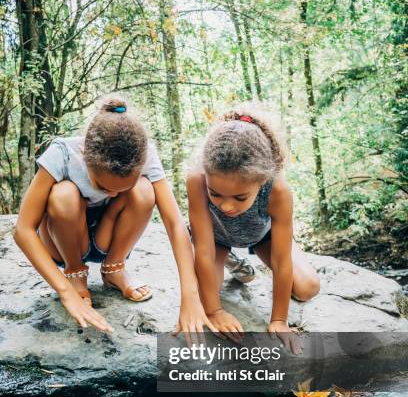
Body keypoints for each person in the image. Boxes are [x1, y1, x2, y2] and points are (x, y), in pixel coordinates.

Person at [14, 95, 215, 337]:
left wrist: (190, 297)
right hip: (61, 240)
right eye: (102, 185)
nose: (111, 194)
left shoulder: (145, 153)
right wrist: (65, 291)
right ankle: (75, 273)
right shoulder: (62, 153)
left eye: (120, 189)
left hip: (105, 239)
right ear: (84, 153)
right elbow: (23, 229)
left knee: (142, 190)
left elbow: (175, 225)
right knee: (63, 194)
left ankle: (113, 269)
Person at [187, 103, 320, 348]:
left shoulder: (277, 191)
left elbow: (281, 263)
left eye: (239, 197)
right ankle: (230, 259)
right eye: (215, 194)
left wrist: (279, 320)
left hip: (261, 236)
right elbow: (204, 252)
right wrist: (214, 311)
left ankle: (267, 252)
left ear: (261, 181)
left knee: (307, 288)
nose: (226, 206)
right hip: (216, 239)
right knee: (207, 293)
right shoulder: (196, 181)